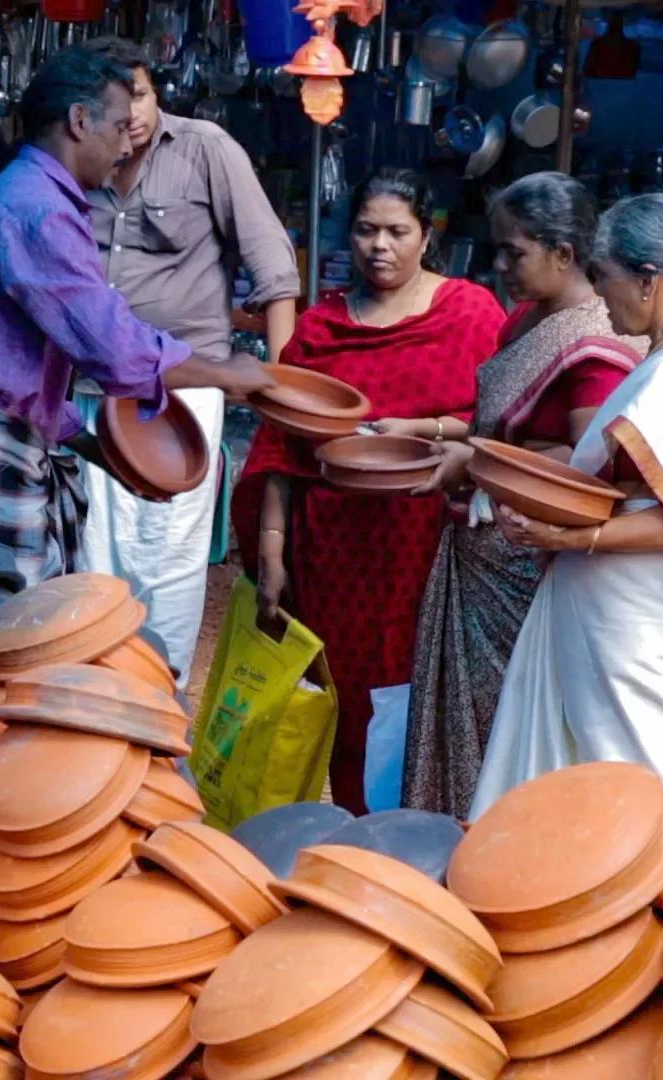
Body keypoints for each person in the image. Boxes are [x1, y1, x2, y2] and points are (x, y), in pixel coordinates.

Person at [0, 46, 274, 586]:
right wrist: (224, 373)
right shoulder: (37, 210)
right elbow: (114, 349)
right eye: (119, 128)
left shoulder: (30, 197)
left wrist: (103, 454)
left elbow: (24, 377)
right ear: (80, 121)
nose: (126, 145)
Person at [473, 193, 663, 872]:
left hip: (631, 617)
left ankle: (627, 906)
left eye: (604, 277)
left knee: (622, 774)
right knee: (637, 763)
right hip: (652, 610)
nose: (600, 298)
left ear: (648, 280)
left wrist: (570, 539)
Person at [232, 170, 504, 813]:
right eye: (365, 230)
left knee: (420, 698)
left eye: (397, 232)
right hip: (332, 554)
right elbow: (280, 445)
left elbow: (501, 423)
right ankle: (360, 831)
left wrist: (427, 429)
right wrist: (271, 551)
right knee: (348, 700)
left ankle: (422, 838)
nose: (379, 245)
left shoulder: (470, 314)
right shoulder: (319, 328)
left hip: (427, 551)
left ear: (426, 235)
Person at [401, 173, 645, 819]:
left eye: (515, 252)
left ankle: (505, 854)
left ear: (564, 253)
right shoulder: (527, 320)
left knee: (513, 731)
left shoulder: (594, 344)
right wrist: (432, 433)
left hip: (527, 559)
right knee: (467, 726)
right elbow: (498, 428)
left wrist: (476, 464)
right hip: (479, 548)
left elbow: (589, 464)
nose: (501, 266)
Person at [69, 37, 300, 686]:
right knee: (89, 552)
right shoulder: (81, 161)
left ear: (156, 92)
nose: (133, 113)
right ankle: (90, 706)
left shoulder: (205, 149)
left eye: (141, 95)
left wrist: (281, 386)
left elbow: (273, 269)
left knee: (167, 556)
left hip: (183, 393)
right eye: (117, 102)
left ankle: (160, 701)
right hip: (89, 391)